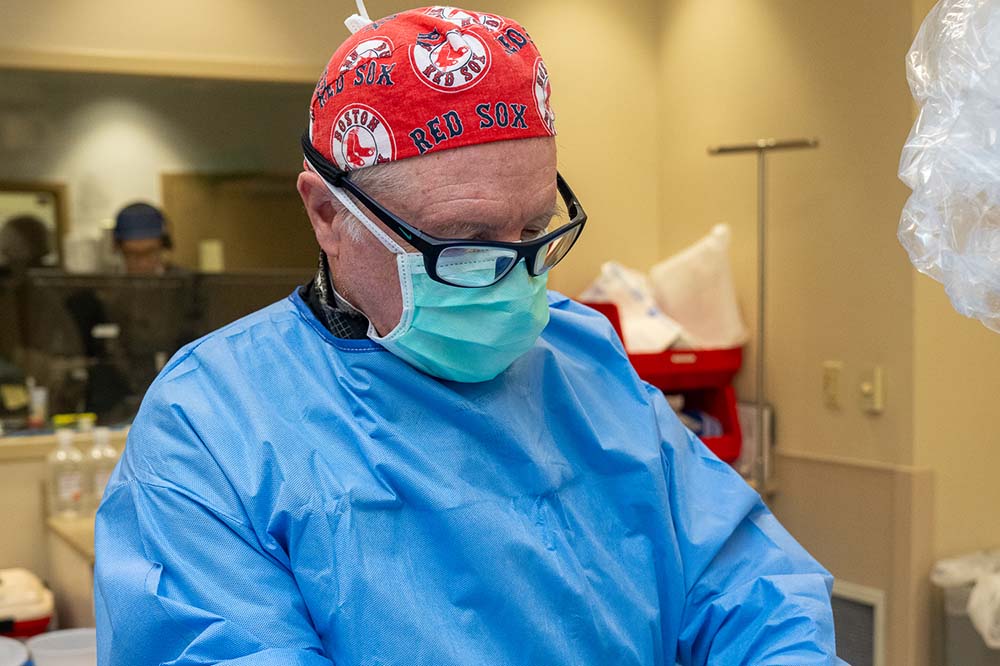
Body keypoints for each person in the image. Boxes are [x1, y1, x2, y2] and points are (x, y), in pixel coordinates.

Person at [94, 6, 845, 665]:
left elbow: (745, 582)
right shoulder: (214, 425)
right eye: (465, 244)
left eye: (535, 232)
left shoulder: (583, 359)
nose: (514, 280)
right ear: (327, 214)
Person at [112, 202, 178, 275]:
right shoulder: (107, 283)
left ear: (164, 246)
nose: (142, 264)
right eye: (132, 255)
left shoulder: (187, 283)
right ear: (118, 249)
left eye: (151, 253)